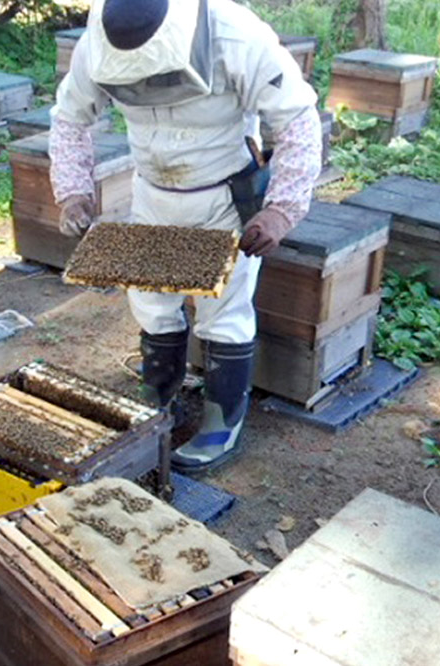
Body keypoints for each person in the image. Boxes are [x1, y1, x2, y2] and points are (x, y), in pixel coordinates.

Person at [50, 0, 322, 472]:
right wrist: (72, 191)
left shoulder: (235, 33)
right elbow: (71, 117)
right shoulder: (98, 36)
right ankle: (156, 401)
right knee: (152, 305)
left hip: (223, 195)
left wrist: (281, 210)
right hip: (151, 191)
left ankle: (222, 423)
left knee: (224, 312)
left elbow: (297, 119)